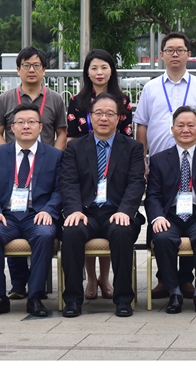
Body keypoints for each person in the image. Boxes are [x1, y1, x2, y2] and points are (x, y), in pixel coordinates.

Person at [135, 32, 196, 301]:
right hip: (161, 162)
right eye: (170, 50)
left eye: (180, 50)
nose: (175, 54)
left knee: (194, 216)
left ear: (188, 55)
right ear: (161, 55)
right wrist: (143, 159)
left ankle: (186, 280)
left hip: (195, 161)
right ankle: (166, 280)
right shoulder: (151, 87)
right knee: (164, 218)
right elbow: (142, 125)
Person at [0, 47, 67, 301]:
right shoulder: (6, 98)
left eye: (36, 65)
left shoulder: (54, 99)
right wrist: (8, 157)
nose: (31, 70)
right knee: (9, 214)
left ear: (44, 70)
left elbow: (62, 132)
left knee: (40, 227)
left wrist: (51, 158)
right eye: (26, 65)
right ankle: (17, 284)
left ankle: (36, 290)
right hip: (14, 169)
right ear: (18, 69)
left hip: (43, 167)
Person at [59, 93, 146, 317]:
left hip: (116, 211)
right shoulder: (75, 147)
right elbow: (68, 182)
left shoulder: (133, 148)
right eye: (99, 113)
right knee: (71, 231)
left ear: (118, 118)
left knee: (121, 231)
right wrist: (74, 211)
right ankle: (72, 299)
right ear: (90, 116)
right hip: (85, 212)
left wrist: (125, 211)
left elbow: (136, 182)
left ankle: (124, 299)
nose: (104, 118)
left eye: (110, 114)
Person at [0, 104, 63, 317]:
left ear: (40, 127)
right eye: (21, 122)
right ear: (12, 127)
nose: (26, 126)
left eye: (31, 122)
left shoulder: (54, 155)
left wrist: (49, 210)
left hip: (36, 214)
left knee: (45, 235)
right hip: (6, 215)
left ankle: (35, 297)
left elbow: (60, 190)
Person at [67, 49, 134, 301]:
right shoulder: (78, 100)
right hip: (86, 166)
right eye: (94, 67)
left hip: (113, 167)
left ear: (111, 70)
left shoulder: (122, 100)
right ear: (87, 71)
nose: (99, 72)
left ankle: (105, 278)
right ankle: (91, 278)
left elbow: (126, 137)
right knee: (80, 222)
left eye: (104, 67)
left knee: (114, 223)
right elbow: (72, 136)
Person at [145, 106, 196, 314]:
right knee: (162, 237)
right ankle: (174, 292)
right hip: (169, 215)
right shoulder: (159, 159)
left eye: (191, 125)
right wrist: (157, 218)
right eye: (180, 125)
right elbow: (152, 195)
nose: (185, 130)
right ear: (172, 129)